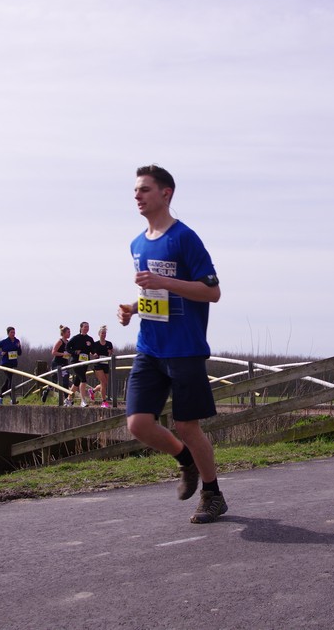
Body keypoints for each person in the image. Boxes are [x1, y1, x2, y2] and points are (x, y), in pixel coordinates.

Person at [117, 164, 226, 524]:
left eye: (144, 189)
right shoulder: (136, 243)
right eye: (136, 190)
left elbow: (212, 291)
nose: (137, 195)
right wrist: (133, 308)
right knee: (138, 424)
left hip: (185, 349)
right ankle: (185, 461)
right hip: (149, 347)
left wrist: (168, 282)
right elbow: (154, 293)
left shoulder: (184, 238)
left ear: (166, 194)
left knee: (187, 426)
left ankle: (212, 494)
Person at [41, 325, 72, 405]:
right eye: (68, 332)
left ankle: (67, 400)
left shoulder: (68, 342)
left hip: (65, 363)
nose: (69, 334)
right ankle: (46, 392)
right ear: (63, 333)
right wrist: (63, 354)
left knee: (65, 381)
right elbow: (53, 352)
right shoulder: (60, 341)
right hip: (57, 363)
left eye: (70, 332)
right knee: (54, 382)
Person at [67, 322, 95, 407]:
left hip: (85, 362)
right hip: (76, 362)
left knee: (77, 382)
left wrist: (91, 347)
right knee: (83, 379)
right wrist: (75, 352)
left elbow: (93, 351)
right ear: (81, 328)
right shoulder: (76, 338)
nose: (86, 328)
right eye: (85, 327)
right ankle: (83, 400)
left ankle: (68, 399)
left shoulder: (90, 339)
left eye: (88, 327)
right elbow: (67, 347)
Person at [0, 326, 22, 405]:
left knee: (7, 382)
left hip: (13, 364)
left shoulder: (17, 341)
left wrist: (19, 347)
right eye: (11, 332)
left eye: (14, 332)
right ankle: (12, 399)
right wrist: (0, 353)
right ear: (8, 333)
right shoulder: (4, 342)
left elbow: (19, 353)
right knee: (11, 380)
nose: (13, 334)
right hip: (5, 363)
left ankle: (0, 397)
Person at [91, 324, 114, 407]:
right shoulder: (95, 344)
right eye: (102, 333)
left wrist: (110, 352)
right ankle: (104, 401)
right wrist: (94, 354)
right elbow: (92, 352)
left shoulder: (109, 343)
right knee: (103, 382)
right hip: (98, 364)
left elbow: (111, 352)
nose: (104, 335)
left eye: (105, 333)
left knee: (105, 383)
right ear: (99, 334)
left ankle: (93, 391)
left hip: (105, 364)